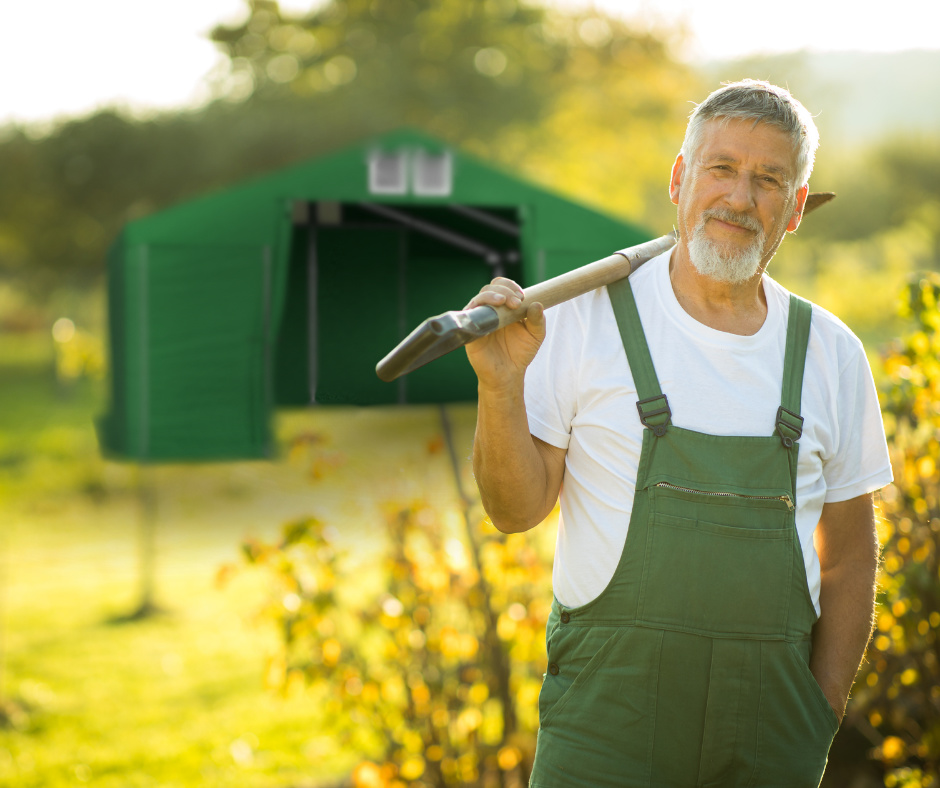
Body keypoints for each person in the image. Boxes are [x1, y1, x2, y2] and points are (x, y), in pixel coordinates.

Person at [465, 80, 893, 787]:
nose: (738, 198)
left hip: (769, 743)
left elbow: (849, 558)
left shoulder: (830, 352)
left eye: (768, 180)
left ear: (793, 211)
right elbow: (513, 512)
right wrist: (500, 383)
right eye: (720, 168)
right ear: (679, 179)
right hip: (603, 734)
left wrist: (816, 716)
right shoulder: (584, 317)